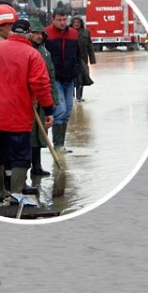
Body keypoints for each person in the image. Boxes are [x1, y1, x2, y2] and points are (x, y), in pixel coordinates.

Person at [0, 19, 54, 204]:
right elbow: (41, 84)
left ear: (12, 32)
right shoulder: (32, 54)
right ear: (29, 34)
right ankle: (16, 194)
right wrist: (48, 109)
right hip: (17, 115)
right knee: (20, 155)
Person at [45, 8, 81, 153]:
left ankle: (61, 144)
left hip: (69, 77)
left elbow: (78, 55)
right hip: (55, 79)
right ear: (53, 19)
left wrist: (77, 71)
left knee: (67, 112)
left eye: (64, 20)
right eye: (59, 20)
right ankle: (58, 145)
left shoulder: (73, 33)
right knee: (60, 111)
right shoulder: (46, 33)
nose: (62, 23)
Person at [29, 17, 60, 176]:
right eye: (35, 33)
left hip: (43, 99)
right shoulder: (27, 50)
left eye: (41, 33)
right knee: (29, 135)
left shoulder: (45, 52)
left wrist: (54, 98)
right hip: (29, 100)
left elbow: (51, 75)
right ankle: (28, 167)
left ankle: (36, 165)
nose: (39, 36)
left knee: (40, 134)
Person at [70, 15, 96, 102]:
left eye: (78, 22)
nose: (76, 24)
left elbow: (90, 46)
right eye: (75, 22)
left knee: (81, 78)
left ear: (81, 23)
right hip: (70, 60)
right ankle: (71, 97)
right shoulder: (67, 32)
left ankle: (79, 97)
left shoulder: (86, 32)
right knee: (71, 78)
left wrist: (92, 60)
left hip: (82, 59)